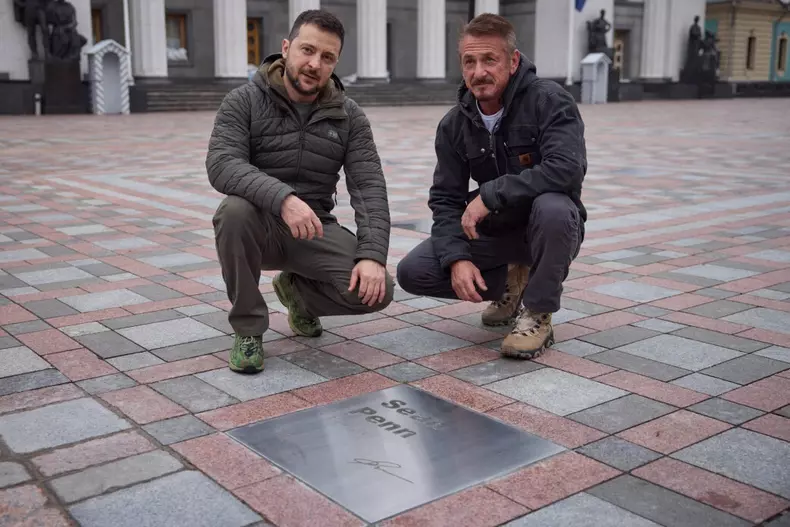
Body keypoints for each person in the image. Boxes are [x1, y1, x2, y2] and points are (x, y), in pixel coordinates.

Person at [206, 9, 394, 374]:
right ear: (286, 48)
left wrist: (373, 254)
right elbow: (222, 164)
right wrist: (283, 199)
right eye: (307, 50)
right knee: (233, 211)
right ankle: (248, 329)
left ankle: (298, 295)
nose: (315, 64)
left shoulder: (348, 115)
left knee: (377, 290)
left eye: (327, 57)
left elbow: (369, 185)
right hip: (258, 225)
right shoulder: (243, 101)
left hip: (315, 228)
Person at [396, 13, 587, 360]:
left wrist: (490, 194)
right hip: (498, 230)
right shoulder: (455, 124)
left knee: (555, 207)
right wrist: (456, 260)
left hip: (547, 229)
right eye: (469, 61)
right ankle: (510, 284)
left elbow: (566, 169)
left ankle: (537, 311)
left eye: (489, 60)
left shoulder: (549, 101)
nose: (478, 71)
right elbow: (445, 199)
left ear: (513, 62)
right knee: (414, 272)